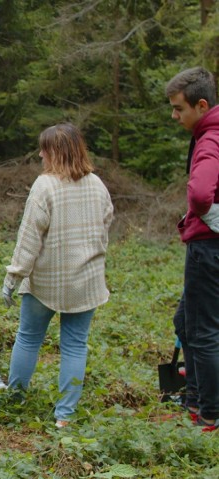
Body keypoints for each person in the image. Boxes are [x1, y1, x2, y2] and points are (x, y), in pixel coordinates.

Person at [1, 123, 113, 429]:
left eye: (44, 149)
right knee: (76, 345)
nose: (40, 154)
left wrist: (12, 278)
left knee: (28, 338)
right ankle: (65, 416)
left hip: (46, 282)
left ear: (56, 151)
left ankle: (14, 399)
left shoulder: (45, 185)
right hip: (86, 281)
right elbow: (106, 226)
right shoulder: (97, 184)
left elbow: (28, 239)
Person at [165, 66, 219, 433]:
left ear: (201, 105)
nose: (174, 115)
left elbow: (201, 193)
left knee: (203, 332)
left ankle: (210, 414)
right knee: (186, 322)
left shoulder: (211, 138)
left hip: (207, 250)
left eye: (179, 108)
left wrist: (209, 215)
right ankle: (195, 398)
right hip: (206, 245)